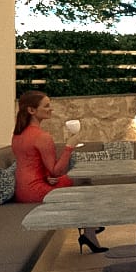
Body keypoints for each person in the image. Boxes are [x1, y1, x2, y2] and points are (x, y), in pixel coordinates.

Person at [11, 90, 107, 253]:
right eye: (47, 106)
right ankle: (90, 227)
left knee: (79, 183)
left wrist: (48, 177)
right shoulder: (42, 136)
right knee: (84, 181)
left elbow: (31, 163)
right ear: (31, 110)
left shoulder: (17, 135)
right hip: (35, 191)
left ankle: (90, 229)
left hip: (21, 190)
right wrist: (70, 146)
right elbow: (56, 171)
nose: (51, 109)